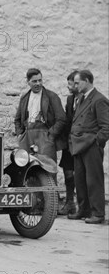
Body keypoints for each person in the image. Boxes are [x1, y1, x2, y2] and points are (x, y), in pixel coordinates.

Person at [68, 70, 109, 224]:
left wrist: (97, 142)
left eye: (78, 82)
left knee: (94, 180)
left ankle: (98, 213)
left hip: (91, 145)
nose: (75, 85)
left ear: (87, 81)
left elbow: (106, 127)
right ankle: (84, 210)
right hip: (79, 145)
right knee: (80, 180)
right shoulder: (82, 99)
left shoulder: (99, 100)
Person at [13, 68, 66, 164]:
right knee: (26, 166)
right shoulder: (24, 98)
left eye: (40, 80)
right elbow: (17, 119)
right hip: (27, 137)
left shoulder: (51, 96)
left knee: (47, 167)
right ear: (28, 82)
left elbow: (61, 119)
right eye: (34, 81)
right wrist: (20, 134)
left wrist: (51, 136)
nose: (38, 83)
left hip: (45, 137)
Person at [57, 71, 80, 215]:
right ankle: (69, 202)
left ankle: (84, 205)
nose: (68, 87)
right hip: (69, 143)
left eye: (70, 84)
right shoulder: (70, 100)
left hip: (81, 143)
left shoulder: (86, 99)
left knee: (82, 175)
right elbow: (67, 121)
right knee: (68, 173)